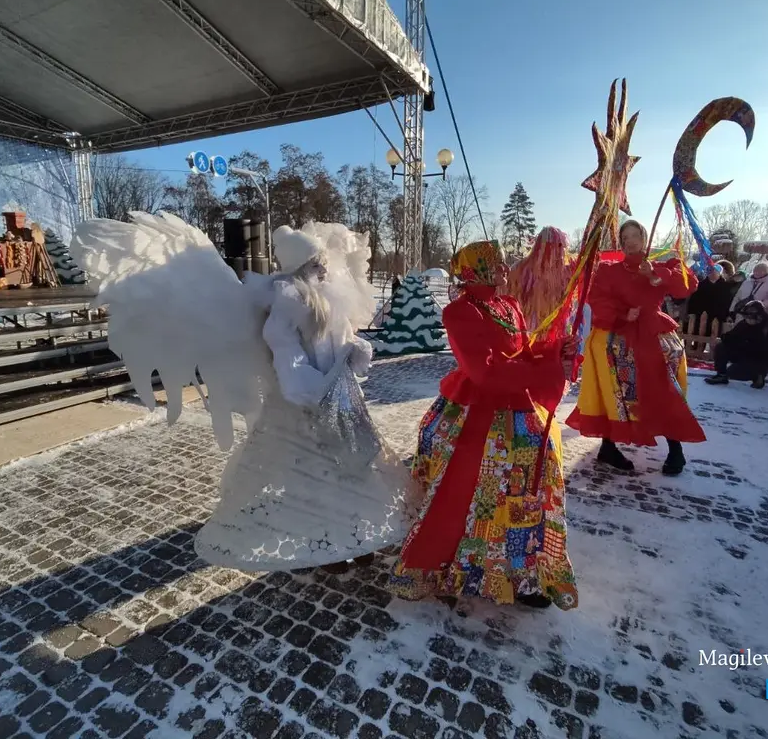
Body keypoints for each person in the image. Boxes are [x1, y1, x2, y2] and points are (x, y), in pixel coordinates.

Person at [72, 214, 419, 575]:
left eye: (323, 263)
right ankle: (329, 546)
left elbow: (341, 338)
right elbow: (287, 356)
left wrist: (354, 350)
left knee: (356, 468)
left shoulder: (325, 297)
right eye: (315, 264)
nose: (323, 269)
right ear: (300, 268)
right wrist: (310, 390)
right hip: (303, 406)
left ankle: (357, 535)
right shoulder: (285, 305)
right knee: (317, 477)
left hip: (340, 399)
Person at [390, 240, 578, 611]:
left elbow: (522, 350)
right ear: (477, 270)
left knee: (529, 489)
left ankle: (524, 572)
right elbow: (484, 371)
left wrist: (555, 351)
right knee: (472, 491)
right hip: (475, 413)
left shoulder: (507, 305)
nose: (506, 268)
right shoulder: (459, 313)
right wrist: (544, 370)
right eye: (497, 264)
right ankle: (461, 565)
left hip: (518, 406)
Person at [566, 219, 706, 476]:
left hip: (653, 336)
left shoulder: (664, 266)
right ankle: (608, 446)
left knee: (663, 390)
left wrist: (655, 275)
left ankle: (675, 448)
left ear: (644, 237)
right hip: (620, 337)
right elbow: (596, 298)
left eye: (635, 235)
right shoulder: (609, 270)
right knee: (616, 392)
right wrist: (621, 315)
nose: (630, 241)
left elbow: (688, 284)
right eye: (625, 237)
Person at [704, 300, 768, 389]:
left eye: (749, 317)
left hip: (762, 359)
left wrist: (757, 349)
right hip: (746, 353)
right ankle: (721, 375)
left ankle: (758, 375)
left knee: (734, 372)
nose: (747, 320)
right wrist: (732, 341)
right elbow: (729, 337)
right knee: (721, 347)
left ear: (759, 317)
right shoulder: (745, 324)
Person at [686, 264, 733, 335]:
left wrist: (727, 315)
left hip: (717, 316)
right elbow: (693, 300)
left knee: (714, 336)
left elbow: (728, 302)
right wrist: (691, 312)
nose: (712, 273)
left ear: (719, 273)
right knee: (699, 336)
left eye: (714, 271)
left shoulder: (725, 287)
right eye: (710, 271)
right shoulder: (700, 285)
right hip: (701, 314)